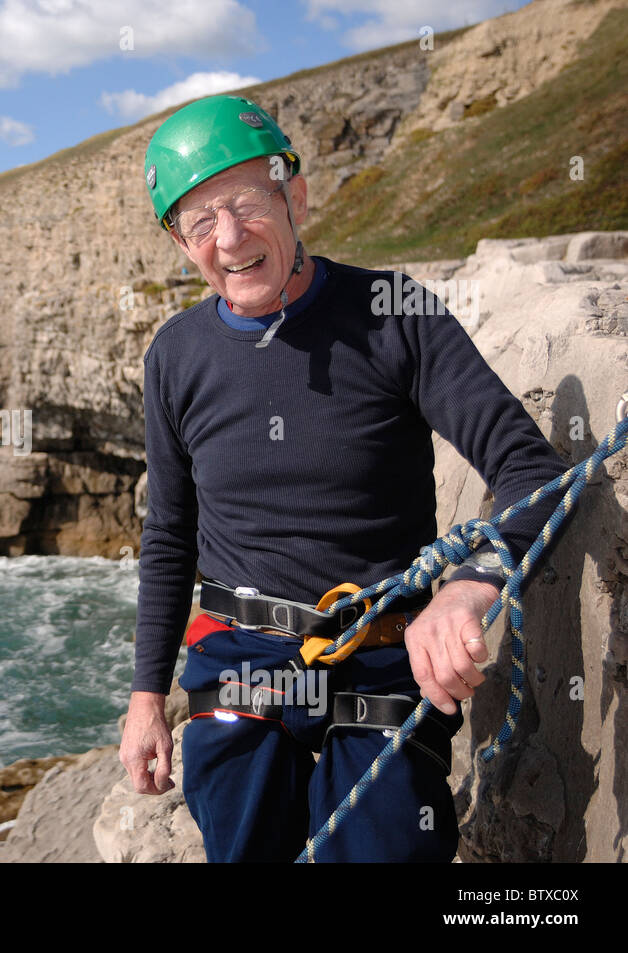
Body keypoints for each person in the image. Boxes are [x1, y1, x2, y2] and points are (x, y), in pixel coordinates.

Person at [120, 94, 569, 862]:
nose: (228, 239)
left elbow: (533, 471)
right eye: (199, 223)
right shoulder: (176, 356)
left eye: (246, 205)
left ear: (294, 195)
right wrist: (145, 697)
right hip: (241, 666)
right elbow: (169, 534)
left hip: (382, 653)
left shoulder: (396, 317)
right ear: (181, 242)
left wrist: (467, 587)